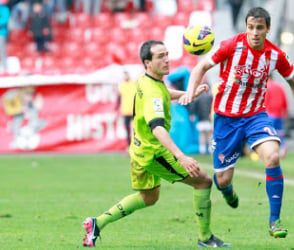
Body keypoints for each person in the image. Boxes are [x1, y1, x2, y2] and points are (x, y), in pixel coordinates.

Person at [179, 7, 294, 238]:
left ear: (268, 29)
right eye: (251, 27)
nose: (255, 32)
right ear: (246, 27)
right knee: (223, 179)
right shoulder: (230, 45)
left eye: (260, 28)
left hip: (255, 116)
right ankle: (227, 189)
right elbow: (201, 67)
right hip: (225, 119)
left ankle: (274, 221)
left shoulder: (276, 55)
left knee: (273, 157)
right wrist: (190, 92)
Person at [82, 40, 231, 248]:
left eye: (167, 54)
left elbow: (164, 94)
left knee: (149, 196)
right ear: (147, 62)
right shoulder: (152, 89)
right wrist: (181, 156)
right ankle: (205, 238)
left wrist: (188, 94)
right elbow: (157, 128)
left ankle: (97, 223)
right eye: (160, 56)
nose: (166, 59)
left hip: (140, 148)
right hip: (155, 152)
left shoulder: (146, 80)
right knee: (203, 181)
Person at [264, 77, 288, 158]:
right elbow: (284, 100)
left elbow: (265, 100)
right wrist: (285, 113)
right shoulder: (279, 86)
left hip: (269, 113)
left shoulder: (266, 86)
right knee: (280, 133)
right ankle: (283, 148)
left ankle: (271, 152)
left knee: (269, 134)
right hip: (279, 114)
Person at [114, 70, 136, 151]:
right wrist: (116, 109)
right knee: (127, 129)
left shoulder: (134, 84)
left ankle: (137, 146)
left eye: (126, 75)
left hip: (134, 110)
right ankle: (129, 146)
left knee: (136, 129)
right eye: (124, 76)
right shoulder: (122, 86)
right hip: (125, 111)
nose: (125, 77)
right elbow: (119, 98)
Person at [0, 0, 10, 73]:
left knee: (2, 50)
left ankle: (5, 67)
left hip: (2, 33)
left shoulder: (5, 9)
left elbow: (5, 19)